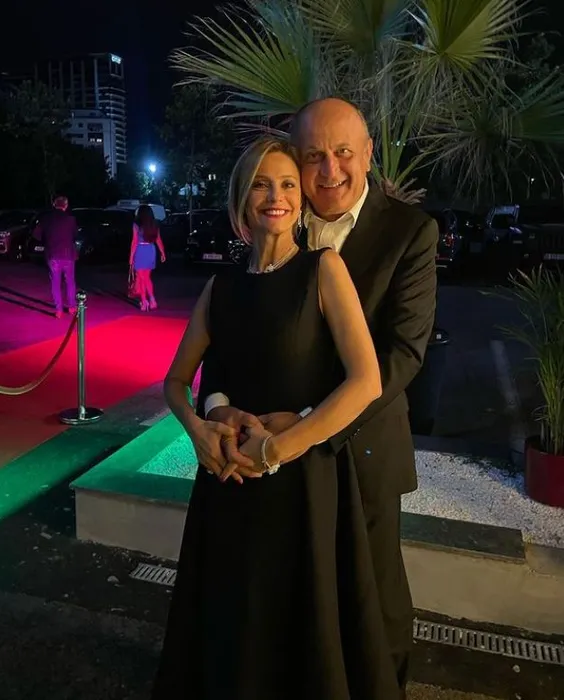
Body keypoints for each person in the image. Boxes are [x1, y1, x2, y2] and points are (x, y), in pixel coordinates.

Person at [202, 98, 439, 696]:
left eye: (343, 153)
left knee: (373, 604)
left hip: (363, 450)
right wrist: (216, 407)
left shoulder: (411, 231)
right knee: (294, 602)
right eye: (314, 156)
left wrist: (308, 423)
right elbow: (234, 329)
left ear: (368, 155)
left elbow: (403, 355)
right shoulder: (280, 215)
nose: (330, 170)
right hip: (275, 459)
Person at [152, 136, 388, 699]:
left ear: (301, 200)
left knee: (298, 622)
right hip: (228, 480)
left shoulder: (323, 270)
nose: (275, 196)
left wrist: (277, 449)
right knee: (233, 617)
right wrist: (197, 428)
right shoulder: (221, 286)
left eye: (286, 184)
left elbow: (366, 381)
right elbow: (176, 381)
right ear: (242, 198)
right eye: (261, 184)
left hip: (300, 482)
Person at [33, 195, 78, 319]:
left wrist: (47, 240)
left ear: (54, 205)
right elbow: (75, 236)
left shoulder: (46, 219)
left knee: (55, 283)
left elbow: (36, 235)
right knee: (70, 281)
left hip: (52, 254)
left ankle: (59, 310)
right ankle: (72, 307)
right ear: (66, 205)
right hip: (68, 255)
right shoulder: (71, 220)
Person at [129, 204, 165, 311]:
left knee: (142, 277)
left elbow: (134, 241)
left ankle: (144, 302)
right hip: (151, 249)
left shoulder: (137, 224)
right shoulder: (154, 223)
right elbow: (158, 239)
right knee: (147, 277)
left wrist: (131, 256)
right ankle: (152, 300)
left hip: (141, 249)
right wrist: (162, 252)